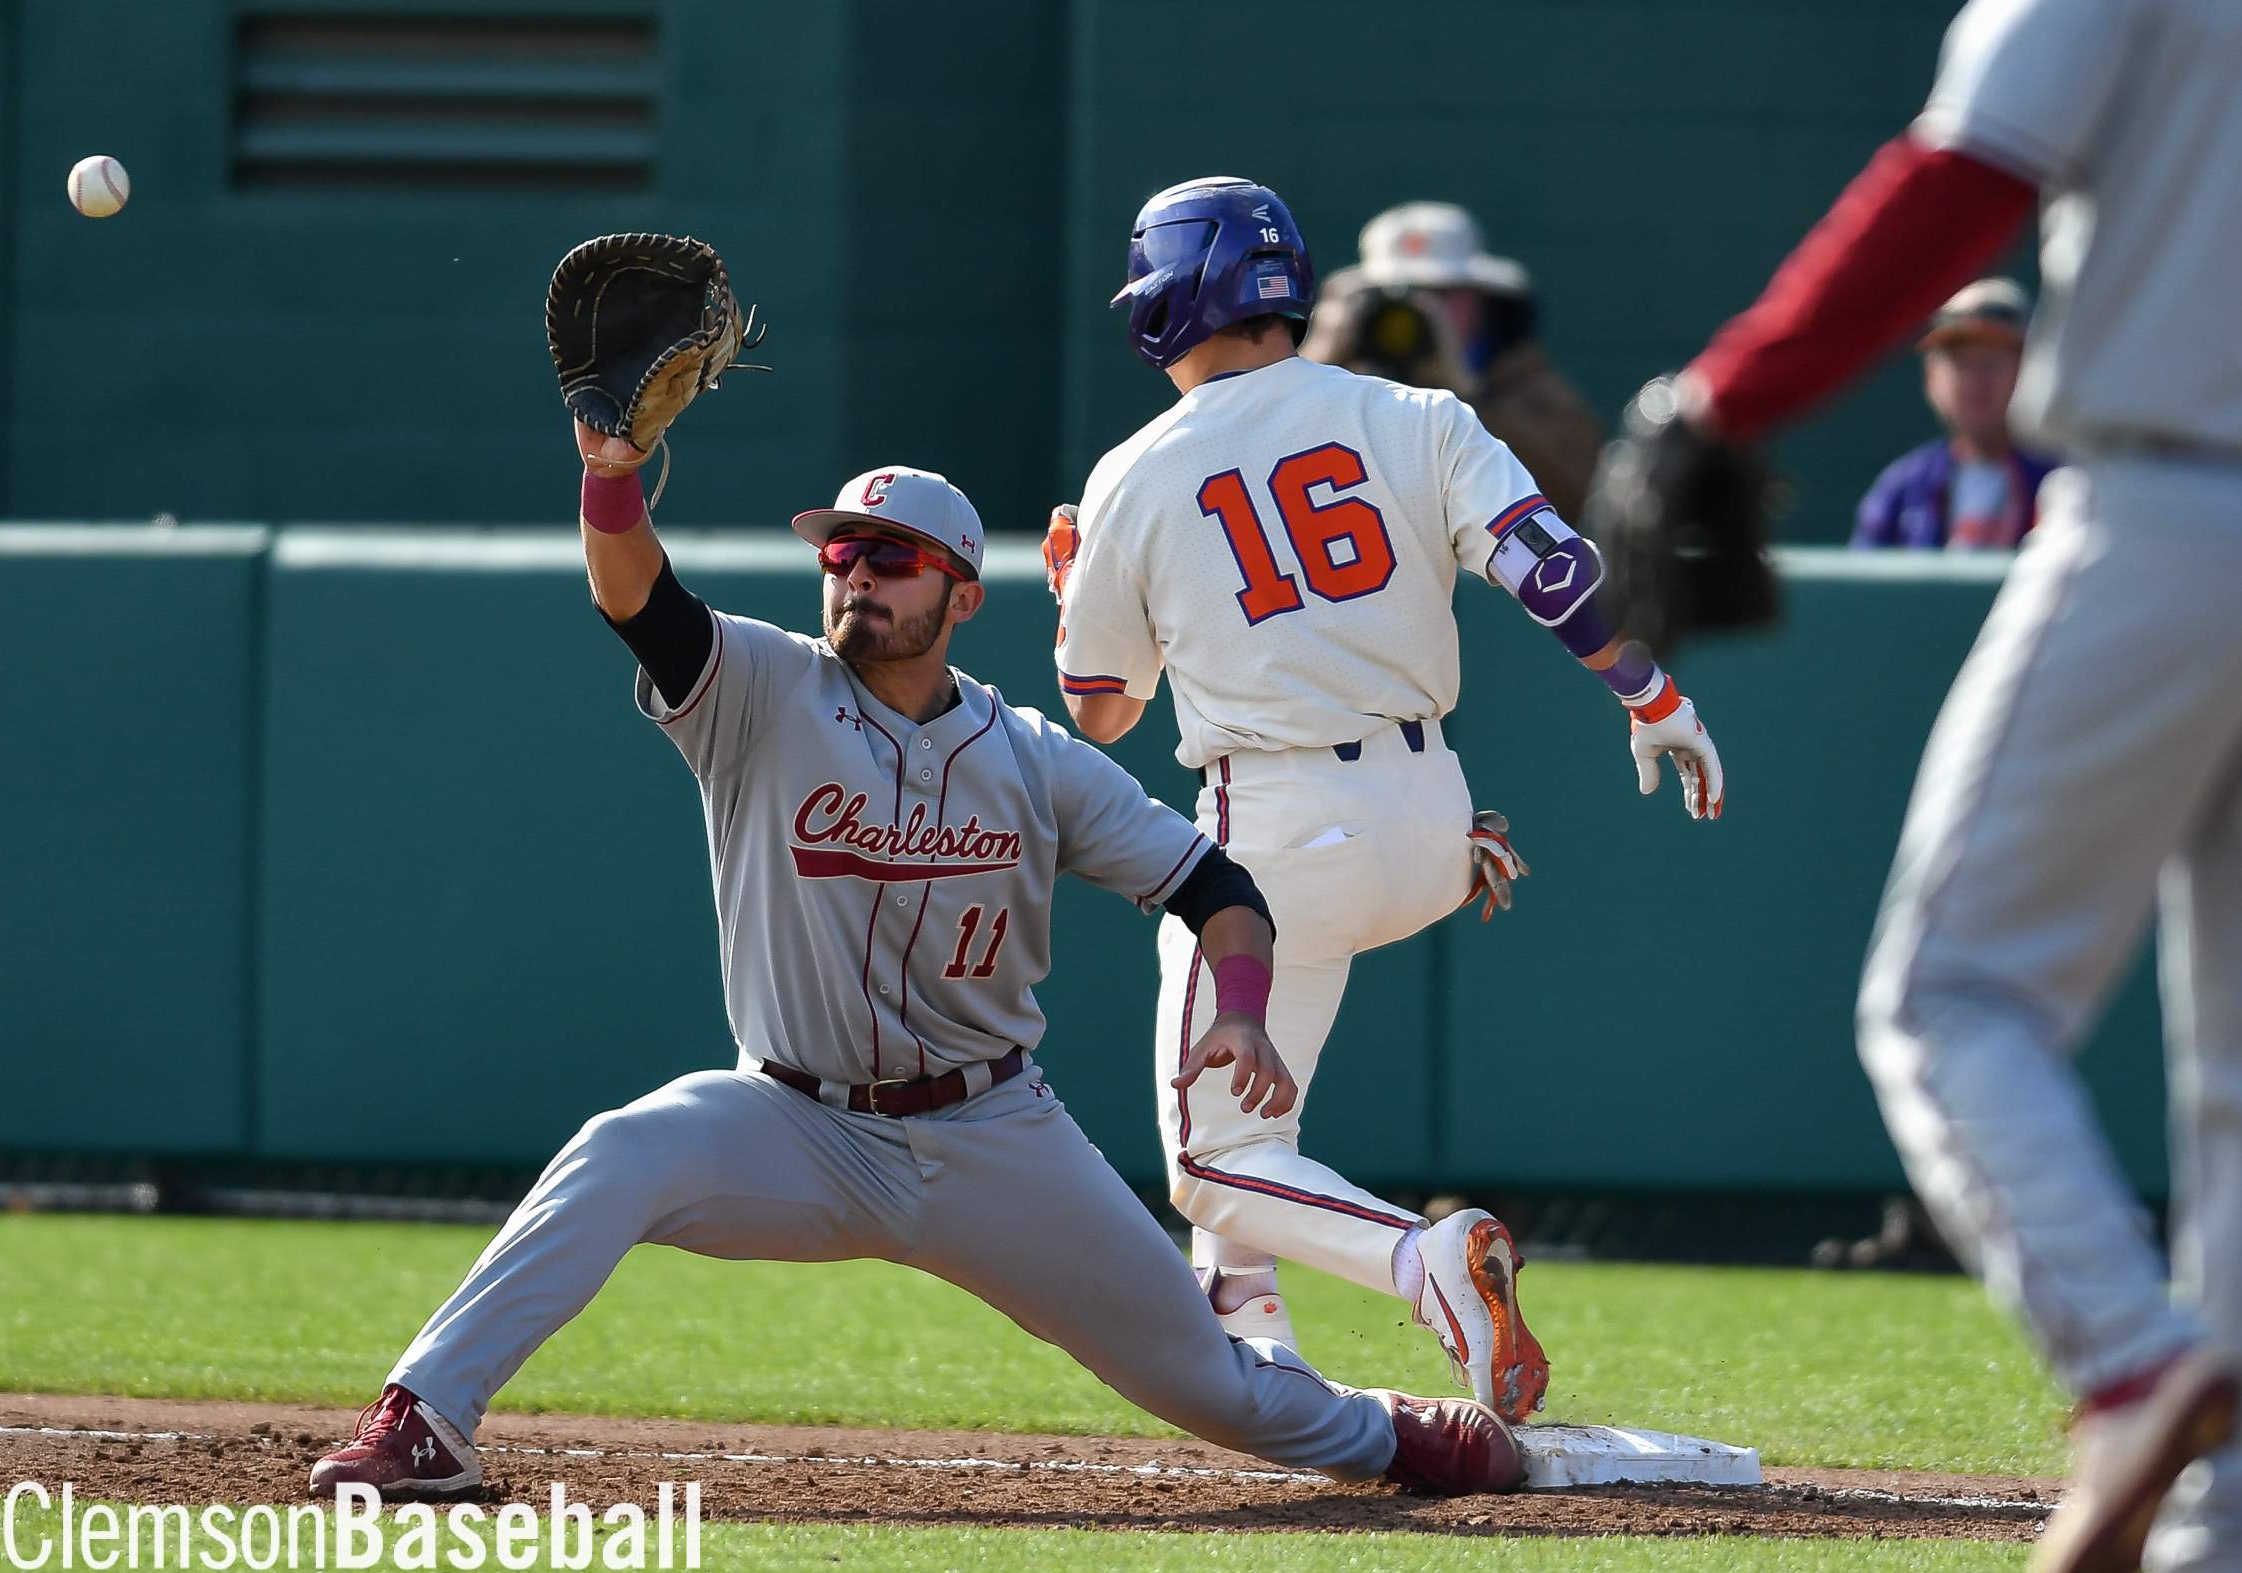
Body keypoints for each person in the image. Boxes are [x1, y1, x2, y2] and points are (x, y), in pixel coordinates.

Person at [306, 431, 1530, 1506]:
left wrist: (1247, 1012)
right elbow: (638, 599)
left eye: (891, 558)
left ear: (961, 593)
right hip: (794, 1121)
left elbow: (1217, 887)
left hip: (993, 1130)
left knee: (1211, 1386)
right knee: (619, 1151)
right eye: (842, 553)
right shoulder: (762, 689)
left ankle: (1393, 1434)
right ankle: (425, 1418)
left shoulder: (1032, 757)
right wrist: (610, 478)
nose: (857, 575)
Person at [1594, 0, 2242, 1573]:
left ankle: (2133, 1365)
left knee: (1950, 996)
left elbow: (1964, 174)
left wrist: (1725, 397)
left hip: (2179, 505)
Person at [1045, 175, 1724, 1425]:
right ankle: (1257, 1353)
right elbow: (1552, 570)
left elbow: (1100, 708)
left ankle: (1425, 1261)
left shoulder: (1134, 471)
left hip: (1273, 843)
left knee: (1209, 1163)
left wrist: (1068, 585)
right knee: (1251, 1136)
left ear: (1165, 299)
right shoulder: (1417, 412)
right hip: (1433, 821)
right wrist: (1650, 695)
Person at [1302, 201, 1605, 518]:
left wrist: (1468, 396)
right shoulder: (1340, 382)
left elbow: (1579, 500)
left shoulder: (1531, 388)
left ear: (1480, 299)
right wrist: (1311, 367)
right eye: (1391, 295)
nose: (1416, 312)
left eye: (1440, 293)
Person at [1853, 278, 2059, 549]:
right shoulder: (1902, 489)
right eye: (1959, 361)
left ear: (2031, 371)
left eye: (1992, 361)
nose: (1976, 379)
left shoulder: (2068, 481)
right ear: (1931, 377)